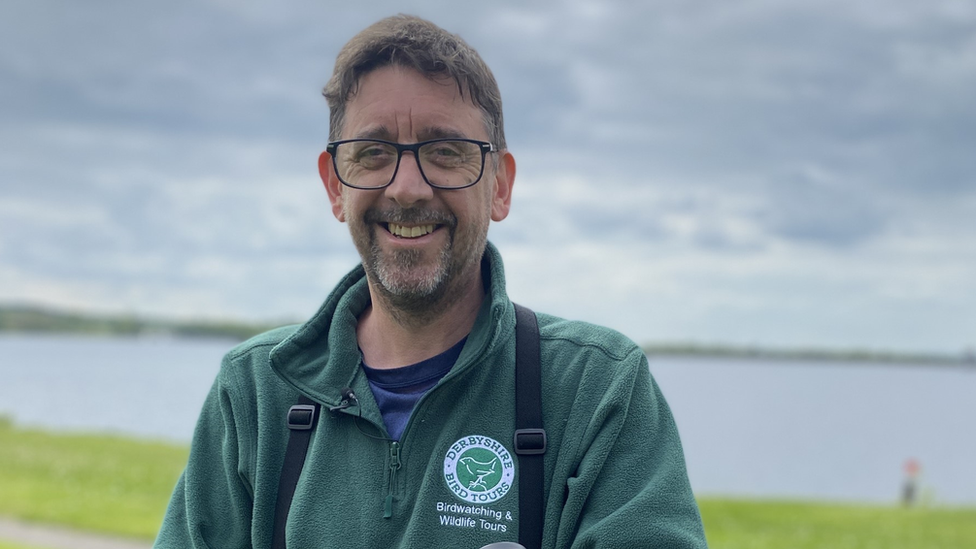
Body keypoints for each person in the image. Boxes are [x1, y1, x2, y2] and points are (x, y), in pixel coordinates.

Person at [154, 14, 707, 549]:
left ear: (500, 186)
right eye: (373, 153)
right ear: (334, 187)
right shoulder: (255, 392)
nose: (408, 188)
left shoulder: (598, 390)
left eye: (446, 152)